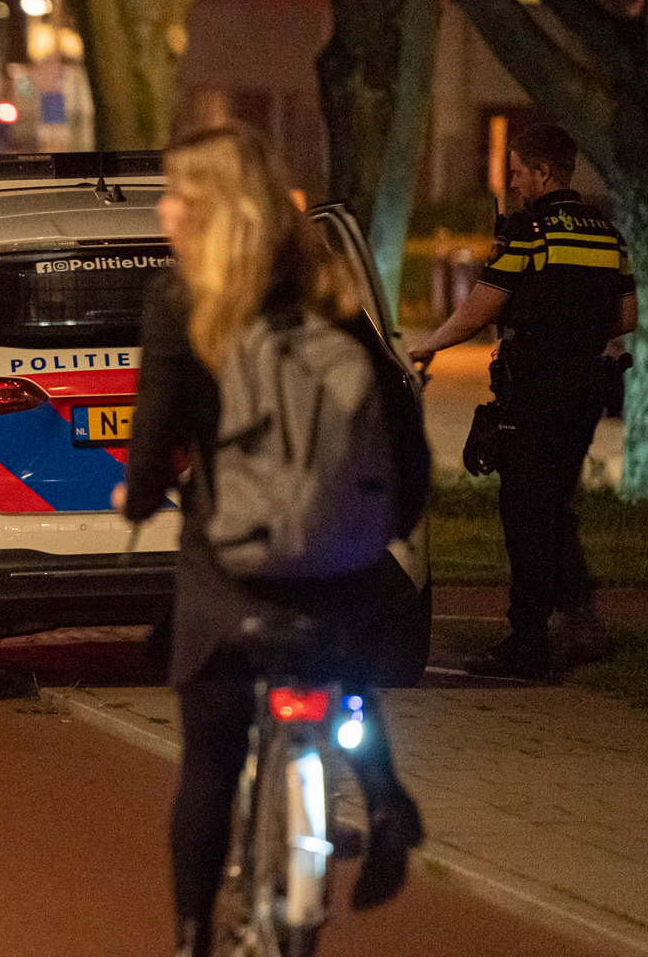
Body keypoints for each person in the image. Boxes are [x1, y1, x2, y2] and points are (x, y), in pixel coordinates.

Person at [122, 124, 429, 956]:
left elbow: (155, 434)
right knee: (345, 658)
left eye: (176, 194)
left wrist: (137, 496)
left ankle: (190, 939)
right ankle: (383, 792)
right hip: (339, 555)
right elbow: (395, 415)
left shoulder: (182, 299)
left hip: (233, 562)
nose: (164, 209)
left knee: (211, 757)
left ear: (207, 209)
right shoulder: (328, 290)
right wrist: (390, 522)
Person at [408, 124, 637, 679]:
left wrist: (426, 345)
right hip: (585, 391)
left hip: (533, 388)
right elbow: (627, 317)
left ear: (543, 172)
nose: (510, 183)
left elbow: (483, 306)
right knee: (554, 502)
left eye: (515, 172)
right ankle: (579, 617)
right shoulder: (607, 231)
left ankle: (529, 642)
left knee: (525, 513)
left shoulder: (529, 230)